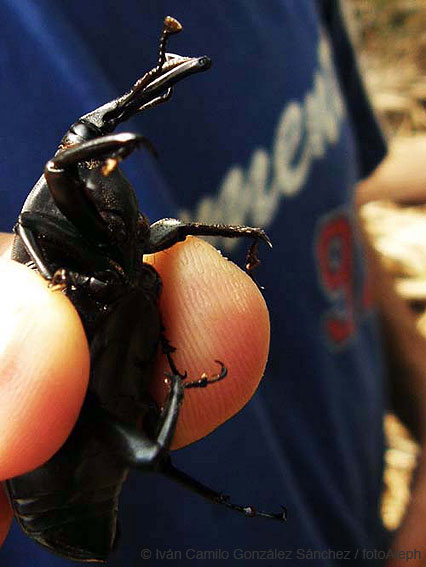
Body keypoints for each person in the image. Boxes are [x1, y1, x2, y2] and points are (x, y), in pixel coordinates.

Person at [1, 1, 426, 565]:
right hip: (63, 498)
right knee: (146, 447)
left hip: (358, 512)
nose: (103, 174)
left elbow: (339, 193)